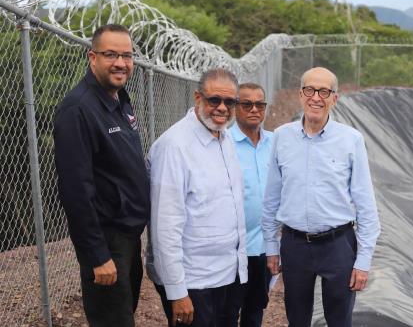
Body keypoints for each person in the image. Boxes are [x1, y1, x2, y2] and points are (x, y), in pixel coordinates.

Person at [262, 67, 381, 327]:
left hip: (338, 245)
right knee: (297, 318)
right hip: (295, 245)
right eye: (310, 90)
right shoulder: (282, 136)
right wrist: (271, 246)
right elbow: (271, 197)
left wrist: (363, 261)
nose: (316, 97)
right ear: (300, 95)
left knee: (339, 320)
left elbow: (365, 204)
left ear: (334, 98)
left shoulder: (351, 140)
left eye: (324, 91)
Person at [53, 24, 150, 326]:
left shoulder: (119, 100)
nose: (120, 63)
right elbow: (75, 191)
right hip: (107, 243)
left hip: (129, 238)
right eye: (111, 55)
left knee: (124, 314)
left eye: (126, 55)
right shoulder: (78, 110)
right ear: (92, 57)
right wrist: (96, 255)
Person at [148, 68, 248, 327]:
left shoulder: (224, 138)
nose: (222, 108)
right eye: (215, 100)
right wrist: (177, 291)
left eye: (230, 102)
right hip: (194, 281)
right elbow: (165, 226)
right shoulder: (174, 146)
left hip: (226, 274)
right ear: (198, 97)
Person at [223, 83, 273, 326]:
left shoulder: (275, 144)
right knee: (229, 312)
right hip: (235, 249)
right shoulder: (224, 143)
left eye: (260, 104)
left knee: (255, 311)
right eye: (247, 104)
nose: (254, 109)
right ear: (235, 108)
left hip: (264, 248)